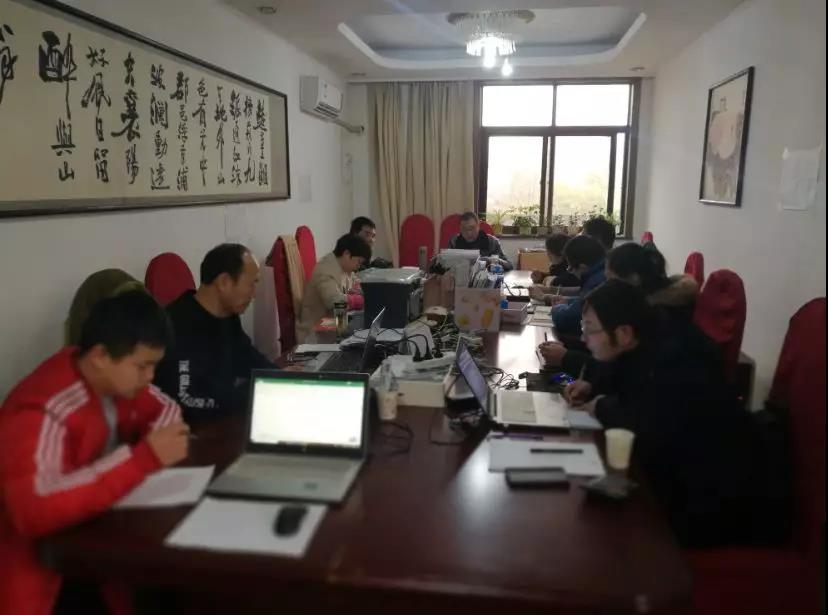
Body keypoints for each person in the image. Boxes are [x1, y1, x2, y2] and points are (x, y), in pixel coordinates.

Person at [0, 291, 189, 615]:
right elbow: (33, 509)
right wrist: (142, 459)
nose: (150, 377)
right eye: (142, 366)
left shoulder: (116, 382)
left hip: (92, 545)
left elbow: (168, 409)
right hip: (42, 573)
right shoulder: (44, 410)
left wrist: (148, 450)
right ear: (101, 355)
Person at [563, 280, 769, 547]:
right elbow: (622, 378)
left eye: (589, 329)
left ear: (624, 333)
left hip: (715, 501)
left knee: (596, 535)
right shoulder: (647, 335)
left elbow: (647, 420)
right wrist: (592, 385)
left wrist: (600, 406)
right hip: (676, 474)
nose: (583, 338)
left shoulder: (678, 359)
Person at [539, 242, 701, 374]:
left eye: (610, 280)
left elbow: (626, 373)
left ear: (634, 279)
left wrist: (567, 358)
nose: (606, 286)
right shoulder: (646, 303)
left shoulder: (658, 317)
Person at [154, 243, 275, 421]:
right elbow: (189, 402)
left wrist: (281, 377)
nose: (254, 294)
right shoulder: (177, 327)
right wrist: (254, 391)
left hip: (223, 420)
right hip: (190, 429)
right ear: (224, 282)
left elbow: (248, 358)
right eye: (251, 284)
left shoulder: (228, 315)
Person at [296, 233, 372, 343]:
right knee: (362, 326)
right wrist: (355, 300)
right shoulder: (325, 271)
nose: (358, 266)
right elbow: (334, 301)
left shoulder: (343, 267)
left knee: (364, 323)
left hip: (333, 322)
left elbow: (355, 284)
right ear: (346, 254)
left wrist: (365, 292)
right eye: (359, 262)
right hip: (316, 331)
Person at [531, 235, 606, 336]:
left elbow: (566, 318)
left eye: (570, 268)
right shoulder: (600, 271)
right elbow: (584, 299)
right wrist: (567, 301)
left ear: (582, 267)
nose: (570, 272)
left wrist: (556, 308)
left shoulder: (597, 280)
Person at [447, 211, 513, 271]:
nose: (469, 233)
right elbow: (444, 266)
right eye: (464, 229)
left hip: (485, 278)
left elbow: (509, 265)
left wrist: (490, 260)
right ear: (460, 229)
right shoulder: (454, 241)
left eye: (472, 228)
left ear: (478, 226)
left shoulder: (492, 242)